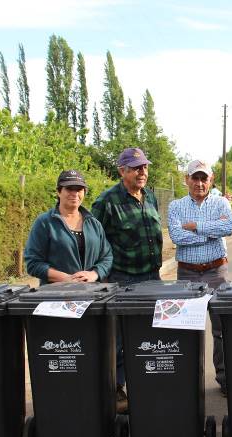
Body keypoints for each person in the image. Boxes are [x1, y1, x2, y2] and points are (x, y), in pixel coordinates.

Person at [92, 147, 164, 413]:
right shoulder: (107, 201)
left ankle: (149, 382)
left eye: (144, 167)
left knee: (152, 333)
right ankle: (118, 390)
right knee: (121, 338)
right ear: (122, 171)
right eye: (135, 168)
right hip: (122, 278)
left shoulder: (150, 197)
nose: (142, 172)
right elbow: (95, 241)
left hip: (152, 276)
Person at [168, 159, 232, 395]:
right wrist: (209, 231)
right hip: (187, 273)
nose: (199, 183)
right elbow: (176, 236)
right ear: (186, 179)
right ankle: (188, 380)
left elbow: (228, 228)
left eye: (203, 178)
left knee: (221, 329)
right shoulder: (176, 206)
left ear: (211, 179)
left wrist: (194, 226)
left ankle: (226, 379)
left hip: (216, 272)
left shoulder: (220, 203)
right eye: (194, 178)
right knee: (185, 329)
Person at [24, 170, 113, 286]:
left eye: (79, 189)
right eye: (70, 188)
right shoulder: (44, 222)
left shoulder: (94, 224)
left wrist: (94, 274)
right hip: (56, 296)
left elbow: (107, 257)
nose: (75, 193)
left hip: (92, 293)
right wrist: (66, 278)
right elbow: (33, 263)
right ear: (58, 192)